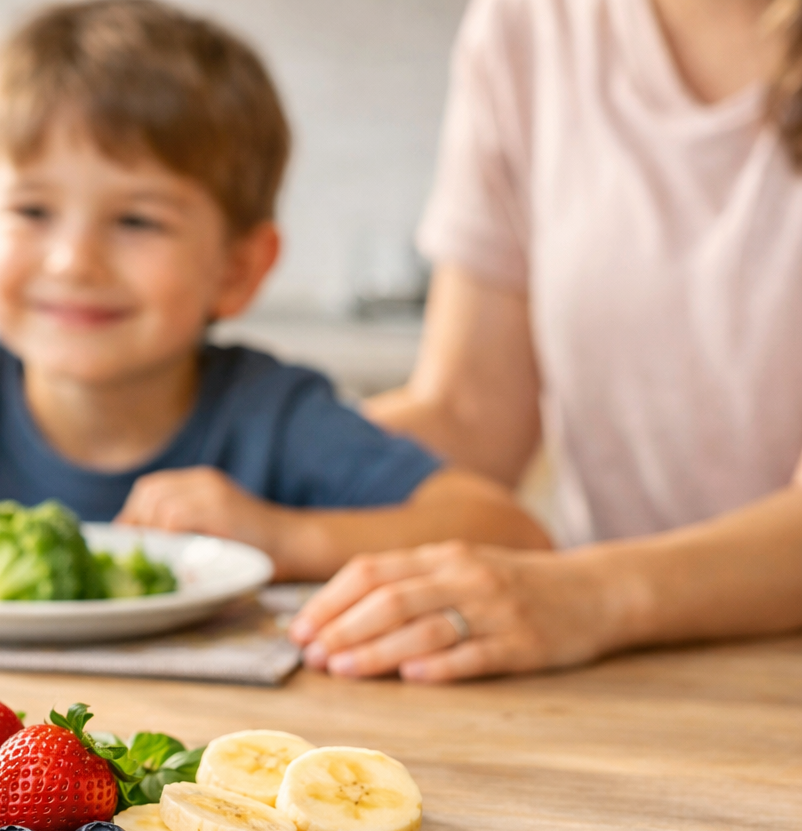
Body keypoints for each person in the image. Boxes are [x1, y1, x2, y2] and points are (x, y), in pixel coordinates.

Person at [0, 0, 549, 582]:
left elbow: (510, 536)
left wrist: (283, 538)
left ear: (238, 269)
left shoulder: (276, 419)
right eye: (32, 212)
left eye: (137, 221)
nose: (74, 261)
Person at [289, 0, 802, 679]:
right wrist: (238, 472)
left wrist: (592, 595)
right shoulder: (529, 24)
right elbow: (471, 412)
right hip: (626, 678)